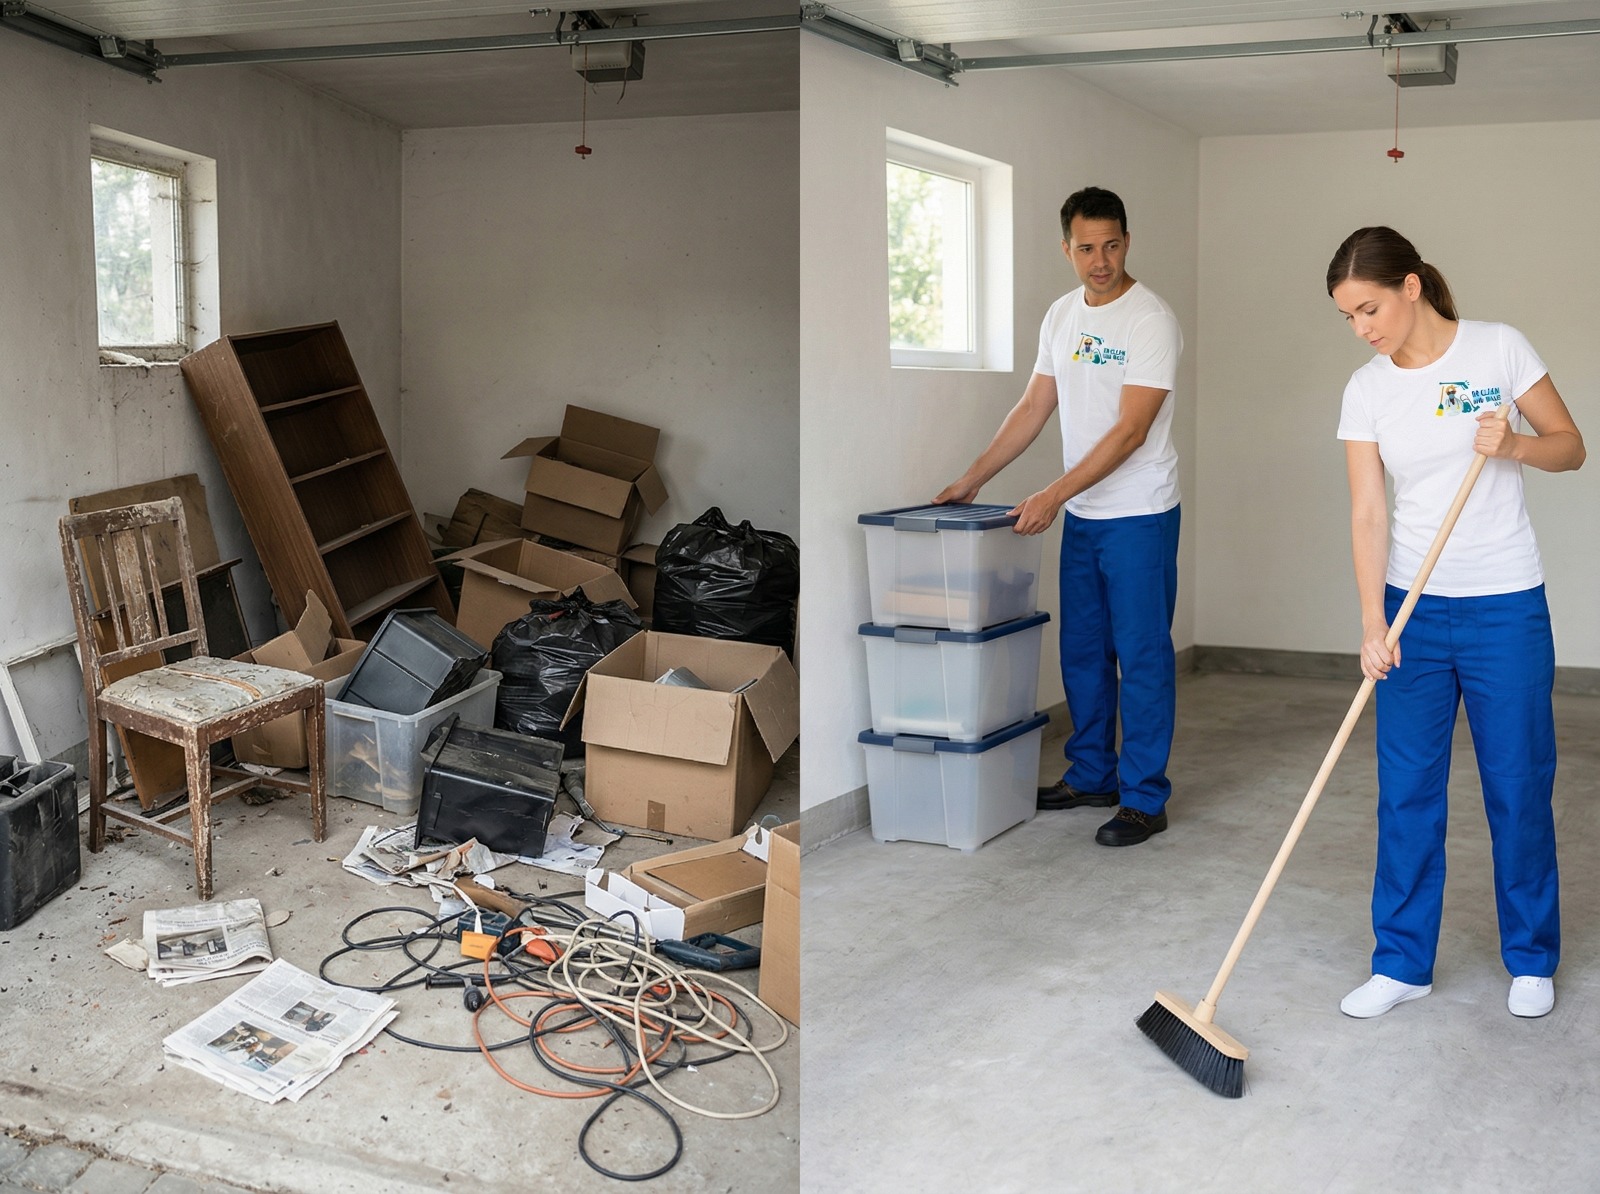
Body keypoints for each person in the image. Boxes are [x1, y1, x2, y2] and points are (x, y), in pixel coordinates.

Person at [1327, 226, 1584, 1019]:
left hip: (1506, 604)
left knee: (1518, 783)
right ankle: (1402, 963)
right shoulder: (1366, 389)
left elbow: (1571, 447)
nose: (1361, 328)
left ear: (1410, 286)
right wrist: (1372, 622)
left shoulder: (1498, 347)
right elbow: (1368, 512)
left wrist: (1515, 445)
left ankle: (1531, 958)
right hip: (1413, 609)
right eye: (1348, 317)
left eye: (1369, 308)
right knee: (1406, 792)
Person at [936, 186, 1183, 847]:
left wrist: (1052, 494)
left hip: (1140, 513)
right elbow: (1032, 408)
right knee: (1082, 650)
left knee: (1142, 654)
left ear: (1126, 243)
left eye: (1111, 246)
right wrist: (972, 478)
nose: (1100, 261)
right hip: (1085, 513)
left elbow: (1131, 431)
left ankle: (1143, 798)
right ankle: (1092, 774)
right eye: (1086, 248)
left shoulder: (1150, 320)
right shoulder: (1061, 315)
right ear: (1066, 248)